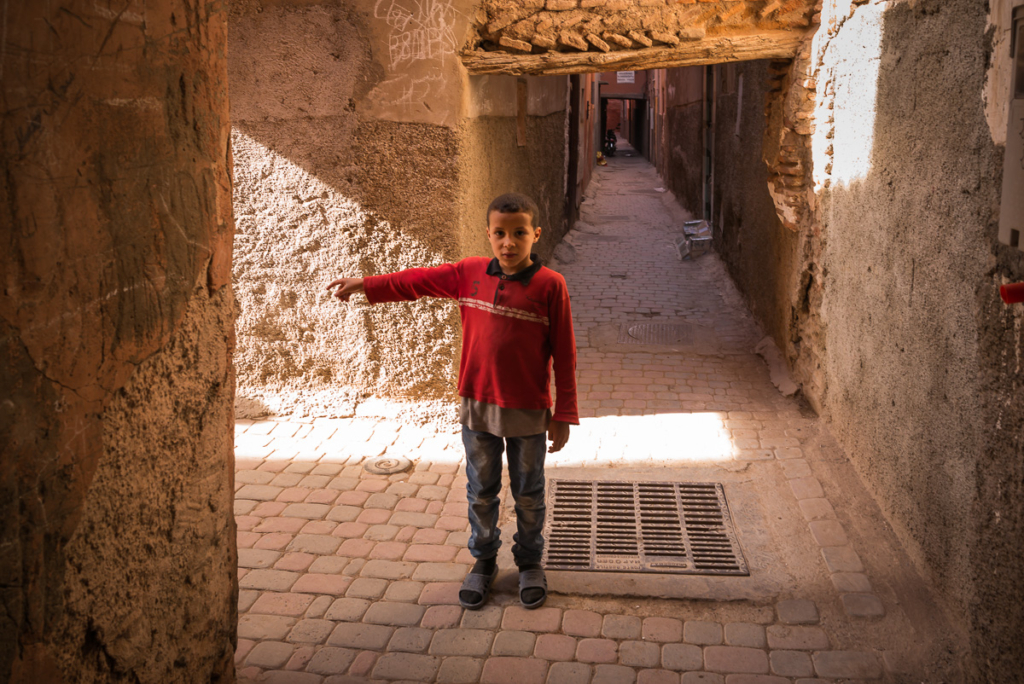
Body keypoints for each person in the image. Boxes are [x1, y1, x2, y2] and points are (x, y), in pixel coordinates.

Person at [326, 192, 578, 610]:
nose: (509, 243)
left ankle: (530, 563)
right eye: (500, 233)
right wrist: (367, 285)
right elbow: (416, 282)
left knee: (529, 492)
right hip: (477, 408)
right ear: (488, 234)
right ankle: (483, 562)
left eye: (519, 233)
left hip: (529, 413)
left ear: (535, 234)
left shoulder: (551, 285)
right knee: (481, 491)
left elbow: (564, 354)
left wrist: (564, 413)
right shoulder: (468, 273)